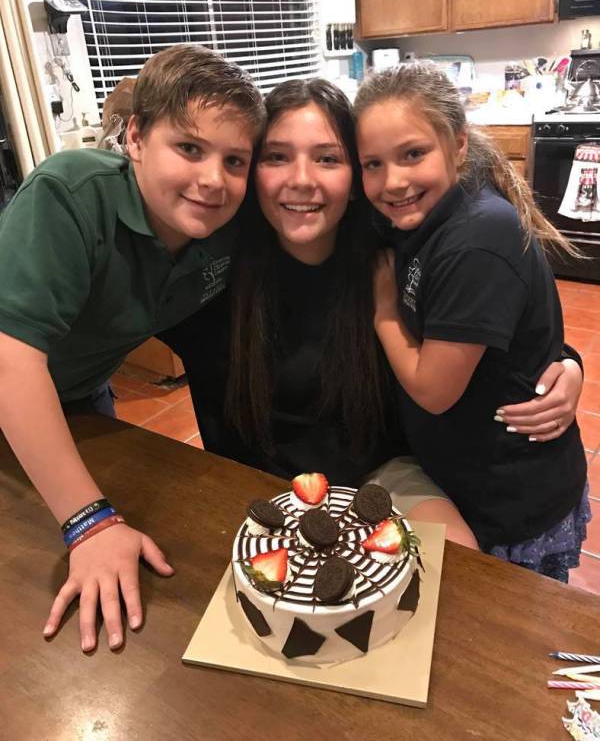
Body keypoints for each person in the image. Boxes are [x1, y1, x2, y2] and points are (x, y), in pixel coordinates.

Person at [162, 78, 584, 556]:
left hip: (381, 474)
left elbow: (492, 309)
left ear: (355, 177)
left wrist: (563, 364)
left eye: (327, 158)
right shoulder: (215, 263)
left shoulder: (390, 242)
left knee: (458, 568)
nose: (302, 179)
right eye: (277, 157)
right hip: (258, 487)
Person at [0, 44, 264, 651]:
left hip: (83, 398)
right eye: (189, 148)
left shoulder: (229, 226)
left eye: (235, 160)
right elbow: (13, 358)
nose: (212, 179)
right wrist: (88, 523)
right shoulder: (72, 193)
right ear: (137, 136)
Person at [354, 61, 590, 582]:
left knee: (510, 644)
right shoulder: (414, 217)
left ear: (458, 145)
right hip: (462, 475)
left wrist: (386, 311)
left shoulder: (476, 238)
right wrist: (569, 362)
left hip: (511, 495)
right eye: (372, 164)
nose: (393, 181)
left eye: (413, 154)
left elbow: (433, 390)